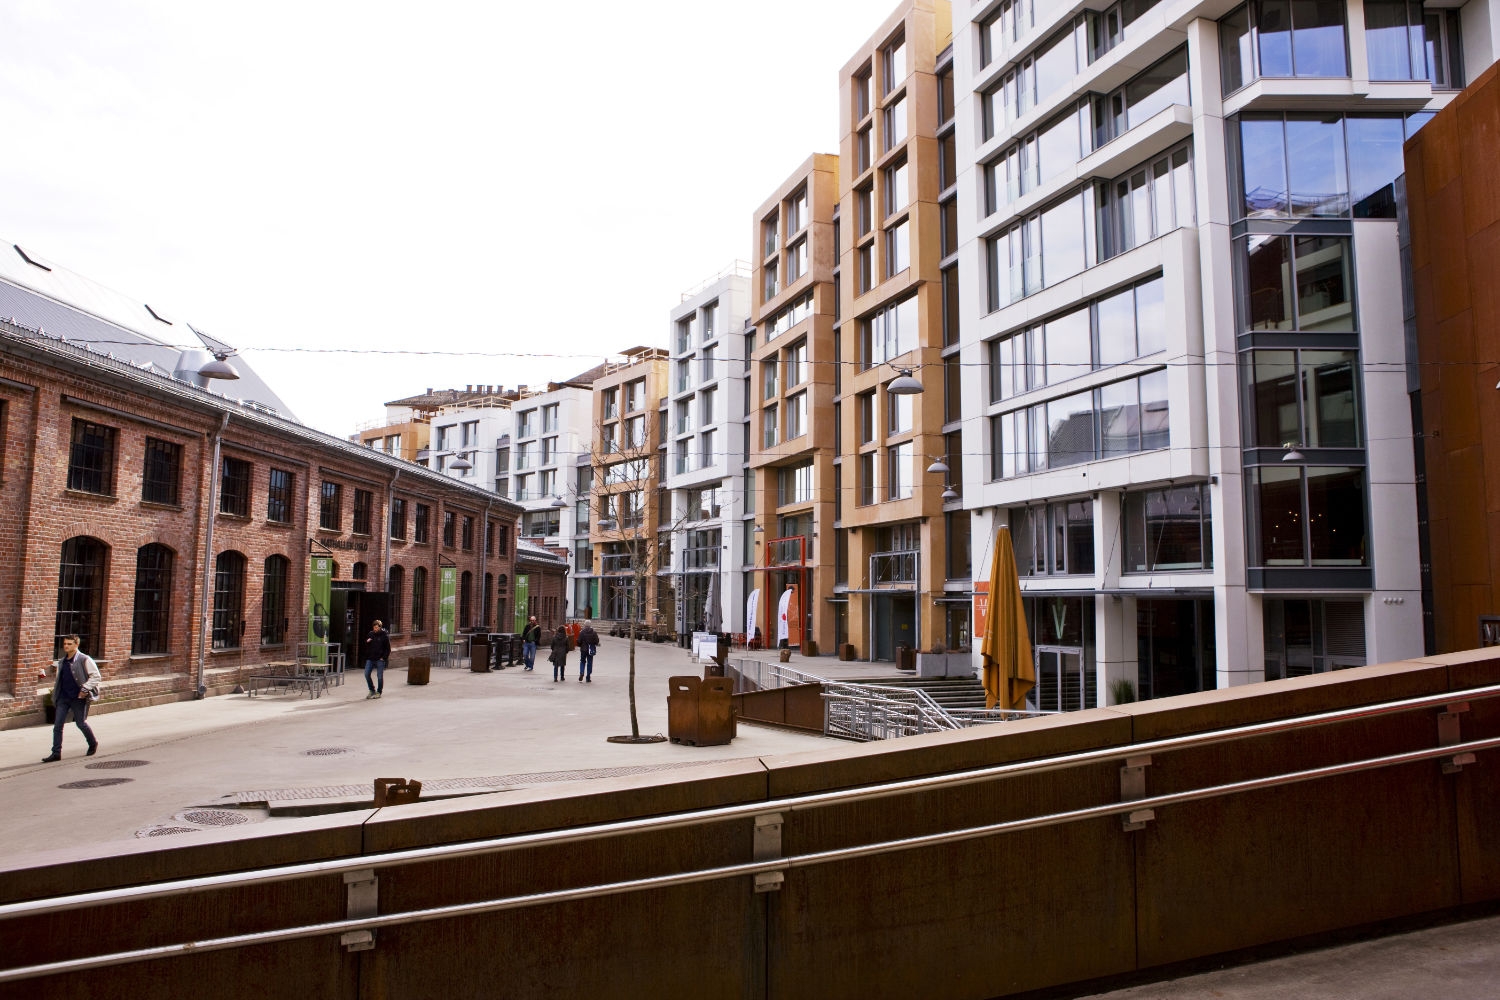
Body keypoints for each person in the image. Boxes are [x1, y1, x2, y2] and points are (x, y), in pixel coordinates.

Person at [40, 634, 100, 762]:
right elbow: (59, 680)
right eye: (65, 644)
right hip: (63, 697)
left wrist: (85, 689)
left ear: (76, 645)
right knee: (57, 725)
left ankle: (92, 743)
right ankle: (56, 753)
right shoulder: (62, 662)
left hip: (78, 698)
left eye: (69, 644)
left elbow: (96, 676)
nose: (66, 646)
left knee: (80, 723)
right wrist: (56, 695)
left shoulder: (84, 659)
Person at [363, 620, 391, 699]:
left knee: (379, 676)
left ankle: (379, 692)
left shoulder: (384, 636)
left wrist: (383, 658)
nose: (375, 629)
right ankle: (372, 690)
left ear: (380, 627)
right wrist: (367, 642)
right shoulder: (370, 634)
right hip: (370, 658)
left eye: (376, 627)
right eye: (374, 627)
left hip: (380, 659)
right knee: (366, 674)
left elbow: (388, 649)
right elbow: (366, 645)